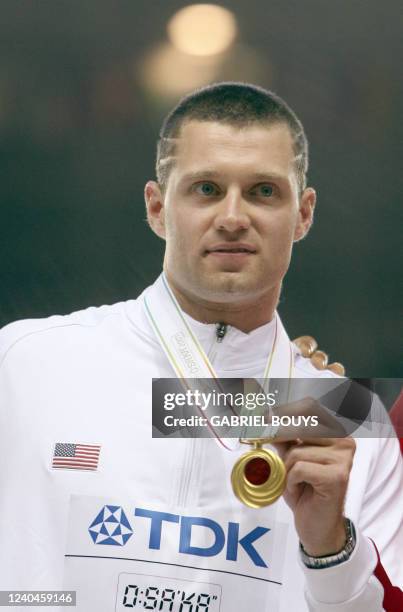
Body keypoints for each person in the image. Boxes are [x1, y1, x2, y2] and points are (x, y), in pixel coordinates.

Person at [0, 82, 401, 612]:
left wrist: (331, 551)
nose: (233, 217)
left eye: (263, 191)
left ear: (303, 214)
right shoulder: (25, 363)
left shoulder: (350, 413)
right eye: (206, 189)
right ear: (157, 207)